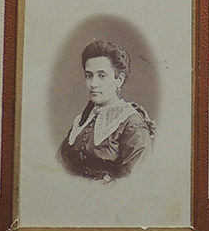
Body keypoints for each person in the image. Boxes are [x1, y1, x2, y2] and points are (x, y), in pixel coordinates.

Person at [58, 39, 155, 181]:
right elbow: (59, 165)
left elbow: (133, 181)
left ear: (119, 80)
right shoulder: (83, 120)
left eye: (102, 76)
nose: (93, 84)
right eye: (89, 76)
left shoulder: (132, 124)